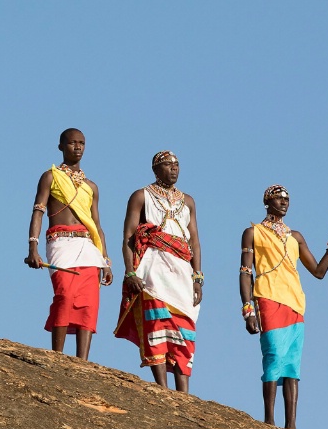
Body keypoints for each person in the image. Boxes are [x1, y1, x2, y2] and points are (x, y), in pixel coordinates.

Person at [238, 185, 328, 429]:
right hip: (267, 297)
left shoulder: (295, 237)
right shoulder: (252, 232)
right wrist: (248, 310)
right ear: (267, 202)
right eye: (279, 198)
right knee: (274, 353)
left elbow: (318, 271)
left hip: (295, 302)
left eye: (287, 199)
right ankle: (269, 420)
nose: (284, 202)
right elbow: (245, 273)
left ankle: (292, 425)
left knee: (292, 363)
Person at [114, 151, 202, 391]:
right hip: (153, 267)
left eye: (177, 164)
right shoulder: (141, 196)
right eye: (167, 164)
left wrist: (197, 277)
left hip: (182, 269)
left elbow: (194, 241)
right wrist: (130, 271)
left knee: (184, 325)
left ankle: (183, 389)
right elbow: (129, 237)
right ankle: (162, 386)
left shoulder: (188, 201)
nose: (174, 168)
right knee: (157, 322)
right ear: (155, 169)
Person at [25, 129, 113, 360]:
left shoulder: (91, 186)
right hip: (60, 242)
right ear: (61, 146)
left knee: (89, 302)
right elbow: (38, 212)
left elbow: (97, 224)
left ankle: (82, 361)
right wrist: (32, 246)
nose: (77, 147)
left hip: (89, 247)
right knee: (65, 294)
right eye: (72, 142)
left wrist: (106, 260)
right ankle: (57, 355)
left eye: (82, 143)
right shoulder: (50, 177)